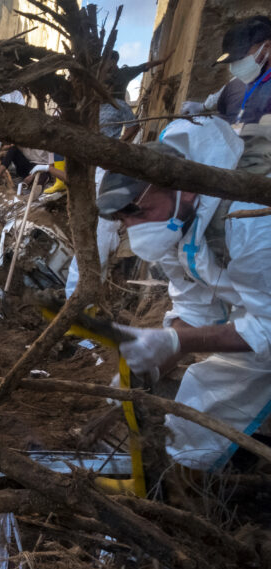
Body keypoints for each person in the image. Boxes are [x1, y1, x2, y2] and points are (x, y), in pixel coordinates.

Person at [99, 115, 271, 472]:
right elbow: (194, 304)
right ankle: (187, 464)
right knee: (209, 381)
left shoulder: (250, 220)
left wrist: (177, 343)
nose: (133, 226)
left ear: (186, 188)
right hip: (262, 301)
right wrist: (150, 364)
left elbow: (269, 326)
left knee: (231, 375)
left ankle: (191, 473)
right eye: (123, 218)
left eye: (137, 210)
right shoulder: (177, 220)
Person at [215, 16, 271, 125]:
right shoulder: (233, 87)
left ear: (266, 46)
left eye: (241, 58)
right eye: (233, 60)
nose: (237, 65)